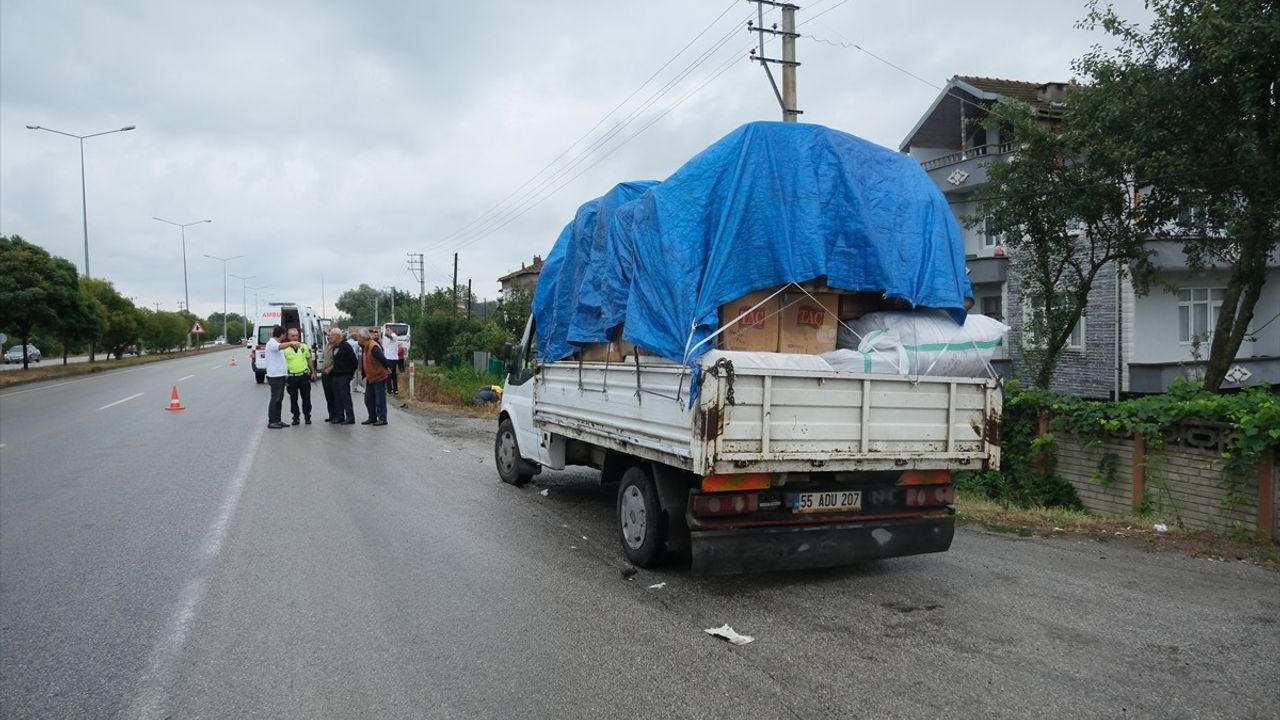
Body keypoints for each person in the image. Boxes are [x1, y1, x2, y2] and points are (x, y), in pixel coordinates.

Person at [264, 325, 303, 429]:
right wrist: (291, 343)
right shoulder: (271, 343)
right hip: (275, 376)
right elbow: (279, 347)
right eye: (285, 334)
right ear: (282, 334)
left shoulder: (277, 343)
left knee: (279, 399)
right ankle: (272, 421)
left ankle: (278, 420)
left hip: (280, 376)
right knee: (275, 399)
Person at [284, 327, 315, 425]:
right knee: (293, 399)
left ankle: (307, 416)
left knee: (306, 398)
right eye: (292, 336)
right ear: (288, 337)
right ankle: (296, 417)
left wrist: (313, 371)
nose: (295, 338)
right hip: (291, 377)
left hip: (303, 376)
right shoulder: (284, 349)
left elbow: (309, 359)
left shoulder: (304, 346)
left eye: (296, 335)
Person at [360, 329, 390, 426]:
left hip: (378, 376)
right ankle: (372, 417)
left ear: (362, 338)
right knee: (368, 399)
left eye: (359, 338)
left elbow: (384, 360)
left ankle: (382, 418)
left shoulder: (373, 347)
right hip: (371, 376)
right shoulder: (366, 346)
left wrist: (385, 369)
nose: (358, 340)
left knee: (379, 399)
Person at [330, 329, 358, 424]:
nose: (330, 337)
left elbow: (354, 361)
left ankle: (350, 417)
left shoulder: (346, 346)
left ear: (338, 336)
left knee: (345, 396)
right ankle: (340, 416)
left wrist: (350, 374)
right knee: (337, 396)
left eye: (332, 335)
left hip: (344, 375)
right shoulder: (335, 347)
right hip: (336, 375)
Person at [317, 328, 338, 422]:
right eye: (327, 335)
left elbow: (338, 361)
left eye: (330, 335)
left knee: (335, 395)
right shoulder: (326, 346)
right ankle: (331, 415)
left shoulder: (336, 346)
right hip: (325, 373)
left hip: (333, 373)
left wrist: (331, 368)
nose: (329, 337)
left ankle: (337, 415)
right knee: (328, 395)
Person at [382, 326, 401, 396]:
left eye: (388, 330)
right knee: (393, 374)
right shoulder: (388, 338)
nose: (387, 331)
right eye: (386, 330)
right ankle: (395, 389)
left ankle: (390, 390)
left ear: (392, 330)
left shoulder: (394, 336)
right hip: (389, 357)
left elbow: (388, 335)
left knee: (388, 374)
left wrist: (386, 333)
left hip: (391, 358)